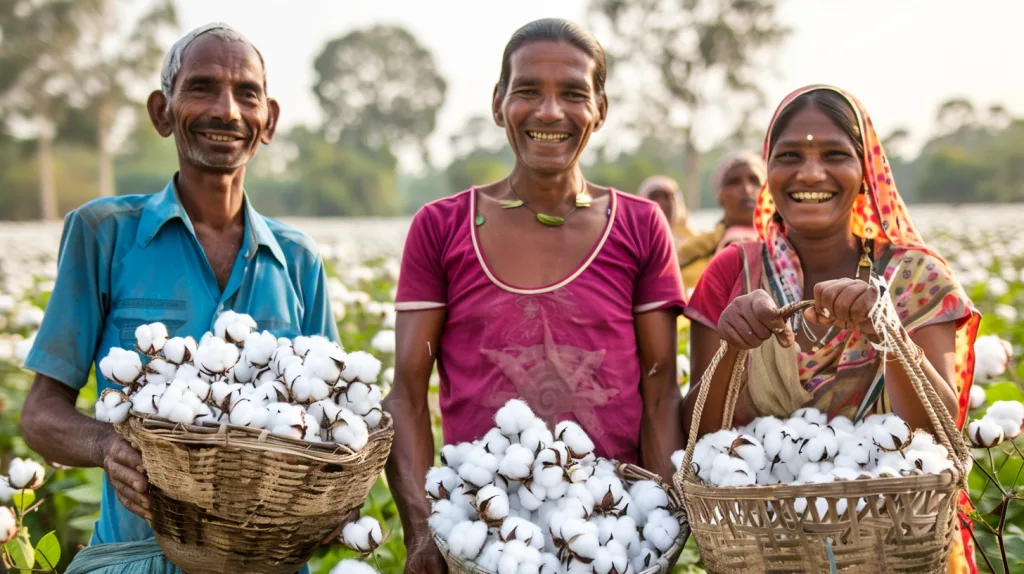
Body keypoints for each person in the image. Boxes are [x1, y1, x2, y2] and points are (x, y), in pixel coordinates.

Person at [19, 24, 338, 573]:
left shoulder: (298, 259)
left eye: (247, 94)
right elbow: (40, 415)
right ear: (162, 112)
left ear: (270, 121)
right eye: (201, 88)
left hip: (268, 564)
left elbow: (332, 422)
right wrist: (106, 446)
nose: (227, 111)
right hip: (138, 557)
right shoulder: (104, 234)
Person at [385, 18, 686, 573]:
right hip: (481, 535)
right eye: (528, 91)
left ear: (600, 108)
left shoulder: (640, 226)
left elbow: (662, 391)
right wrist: (424, 531)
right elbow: (405, 392)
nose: (549, 112)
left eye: (573, 93)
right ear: (499, 104)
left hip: (608, 539)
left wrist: (657, 532)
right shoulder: (441, 226)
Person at [682, 85, 980, 573]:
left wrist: (887, 332)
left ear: (866, 173)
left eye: (835, 154)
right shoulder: (731, 273)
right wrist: (734, 347)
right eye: (790, 155)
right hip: (765, 551)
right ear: (769, 172)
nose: (811, 173)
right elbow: (697, 436)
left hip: (895, 548)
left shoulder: (915, 278)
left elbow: (940, 433)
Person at [676, 152, 764, 287]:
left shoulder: (789, 245)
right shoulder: (693, 251)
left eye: (754, 180)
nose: (747, 189)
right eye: (734, 182)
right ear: (719, 195)